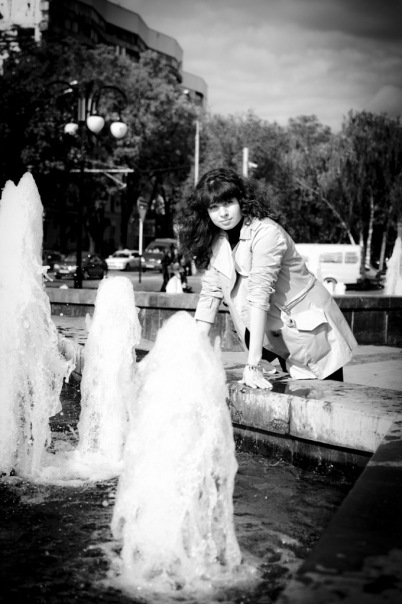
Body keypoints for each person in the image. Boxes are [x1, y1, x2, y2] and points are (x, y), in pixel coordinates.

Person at [178, 168, 358, 390]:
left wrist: (252, 365)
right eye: (214, 207)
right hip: (269, 334)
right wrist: (195, 351)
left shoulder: (266, 232)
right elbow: (210, 295)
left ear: (242, 201)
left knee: (327, 402)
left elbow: (259, 294)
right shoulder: (218, 240)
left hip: (307, 332)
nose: (222, 213)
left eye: (228, 203)